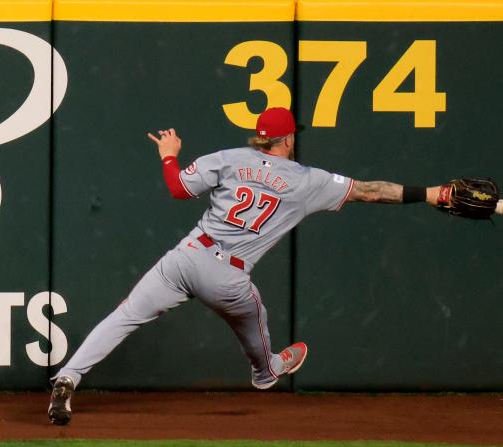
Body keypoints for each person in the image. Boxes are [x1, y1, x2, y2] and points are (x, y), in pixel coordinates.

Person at [48, 107, 444, 425]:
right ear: (288, 139)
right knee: (256, 323)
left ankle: (68, 377)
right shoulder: (308, 181)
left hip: (187, 256)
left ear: (260, 137)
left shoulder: (230, 158)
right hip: (227, 277)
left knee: (125, 316)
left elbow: (178, 188)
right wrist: (430, 194)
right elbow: (371, 192)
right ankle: (266, 371)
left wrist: (169, 156)